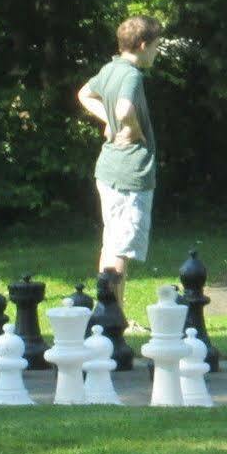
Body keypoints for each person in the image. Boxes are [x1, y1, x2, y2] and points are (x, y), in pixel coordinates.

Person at [77, 15, 163, 277]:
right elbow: (124, 109)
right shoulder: (131, 75)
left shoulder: (110, 68)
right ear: (142, 45)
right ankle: (113, 315)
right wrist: (131, 128)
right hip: (129, 173)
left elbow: (83, 94)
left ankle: (113, 314)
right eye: (156, 46)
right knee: (120, 249)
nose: (157, 52)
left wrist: (110, 122)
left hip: (108, 170)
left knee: (111, 243)